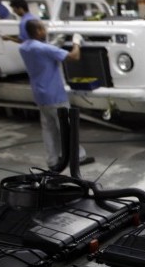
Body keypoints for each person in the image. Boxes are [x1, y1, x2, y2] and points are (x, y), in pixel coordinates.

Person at [19, 19, 93, 172]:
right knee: (67, 127)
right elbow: (74, 56)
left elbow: (44, 51)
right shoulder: (44, 49)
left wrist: (54, 44)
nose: (45, 30)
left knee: (48, 128)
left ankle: (52, 161)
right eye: (43, 28)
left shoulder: (24, 47)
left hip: (39, 95)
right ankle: (77, 157)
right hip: (55, 95)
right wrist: (76, 42)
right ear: (38, 30)